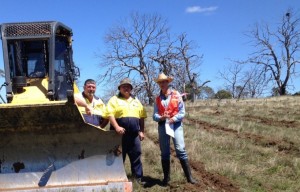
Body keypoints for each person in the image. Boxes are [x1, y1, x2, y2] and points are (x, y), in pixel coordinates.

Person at [153, 73, 197, 185]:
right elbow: (154, 115)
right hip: (163, 126)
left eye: (164, 82)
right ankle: (166, 178)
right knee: (164, 152)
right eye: (160, 82)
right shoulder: (157, 99)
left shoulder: (177, 95)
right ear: (158, 84)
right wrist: (161, 117)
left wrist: (174, 118)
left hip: (176, 125)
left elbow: (182, 112)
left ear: (168, 82)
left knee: (180, 149)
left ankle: (189, 178)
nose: (162, 84)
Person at [105, 78, 147, 185]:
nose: (126, 88)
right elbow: (110, 114)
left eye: (128, 86)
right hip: (118, 136)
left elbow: (142, 116)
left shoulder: (136, 100)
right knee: (118, 157)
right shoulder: (114, 99)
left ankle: (138, 178)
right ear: (120, 88)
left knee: (136, 156)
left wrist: (141, 131)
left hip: (134, 135)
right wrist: (117, 127)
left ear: (131, 88)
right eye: (124, 86)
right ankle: (116, 180)